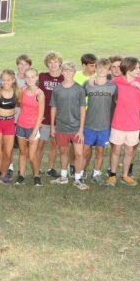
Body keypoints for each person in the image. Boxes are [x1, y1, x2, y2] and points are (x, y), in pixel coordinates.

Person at [106, 57, 140, 187]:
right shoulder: (116, 82)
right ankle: (113, 175)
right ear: (128, 69)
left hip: (134, 124)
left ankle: (125, 175)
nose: (139, 70)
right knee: (116, 150)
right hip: (118, 123)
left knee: (129, 151)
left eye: (139, 68)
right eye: (136, 68)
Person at [49, 62, 89, 190]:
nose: (67, 73)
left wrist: (81, 129)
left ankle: (78, 178)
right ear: (62, 72)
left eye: (70, 71)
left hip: (76, 127)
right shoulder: (57, 89)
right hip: (61, 127)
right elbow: (53, 108)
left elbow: (83, 109)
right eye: (65, 71)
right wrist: (52, 126)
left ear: (74, 72)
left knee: (79, 153)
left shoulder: (79, 89)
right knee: (63, 151)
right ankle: (63, 176)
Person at [79, 58, 117, 184]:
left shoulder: (112, 86)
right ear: (96, 68)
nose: (102, 70)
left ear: (108, 70)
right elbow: (79, 100)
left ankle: (96, 173)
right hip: (89, 124)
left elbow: (117, 103)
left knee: (100, 151)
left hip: (104, 125)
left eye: (105, 68)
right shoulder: (88, 83)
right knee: (85, 150)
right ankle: (81, 171)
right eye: (99, 67)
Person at [0, 69, 20, 188]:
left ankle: (3, 175)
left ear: (13, 80)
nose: (5, 82)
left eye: (8, 80)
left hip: (10, 124)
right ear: (0, 80)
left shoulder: (17, 92)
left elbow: (21, 103)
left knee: (8, 153)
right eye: (3, 80)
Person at [14, 67, 45, 186]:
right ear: (25, 78)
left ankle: (37, 175)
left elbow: (40, 115)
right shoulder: (22, 90)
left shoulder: (39, 94)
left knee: (32, 156)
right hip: (21, 125)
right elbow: (20, 105)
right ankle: (21, 175)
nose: (30, 79)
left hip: (33, 128)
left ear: (37, 77)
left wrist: (34, 132)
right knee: (22, 152)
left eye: (33, 76)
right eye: (27, 76)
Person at [36, 51, 63, 178]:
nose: (53, 65)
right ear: (47, 64)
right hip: (43, 116)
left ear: (60, 63)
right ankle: (37, 167)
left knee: (54, 144)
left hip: (59, 117)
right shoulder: (41, 76)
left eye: (56, 62)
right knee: (40, 143)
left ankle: (50, 168)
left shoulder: (64, 78)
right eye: (50, 62)